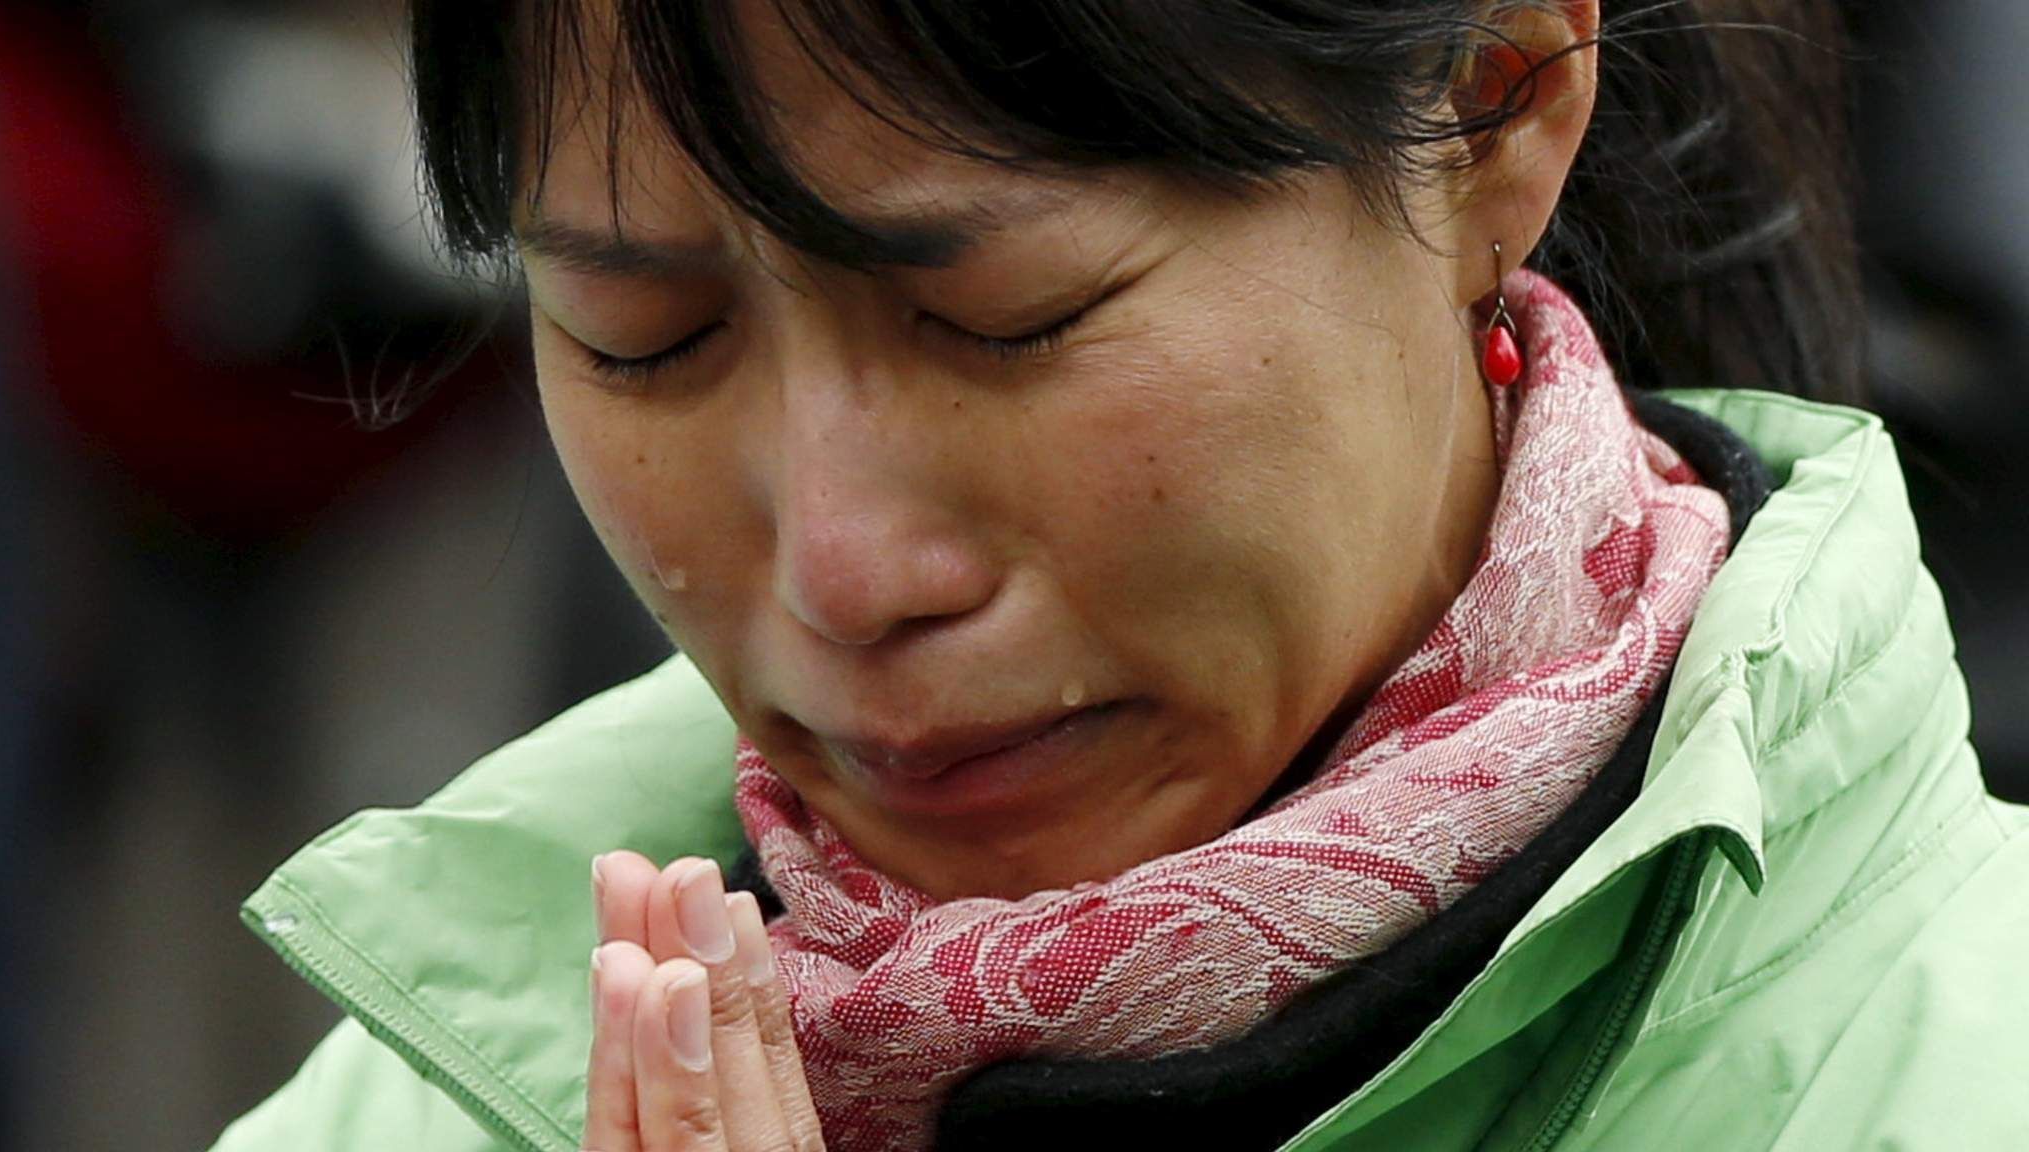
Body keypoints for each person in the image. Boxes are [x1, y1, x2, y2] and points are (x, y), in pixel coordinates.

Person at [210, 1, 2029, 1149]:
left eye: (1009, 320)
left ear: (1492, 106)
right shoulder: (434, 1094)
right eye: (643, 339)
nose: (847, 577)